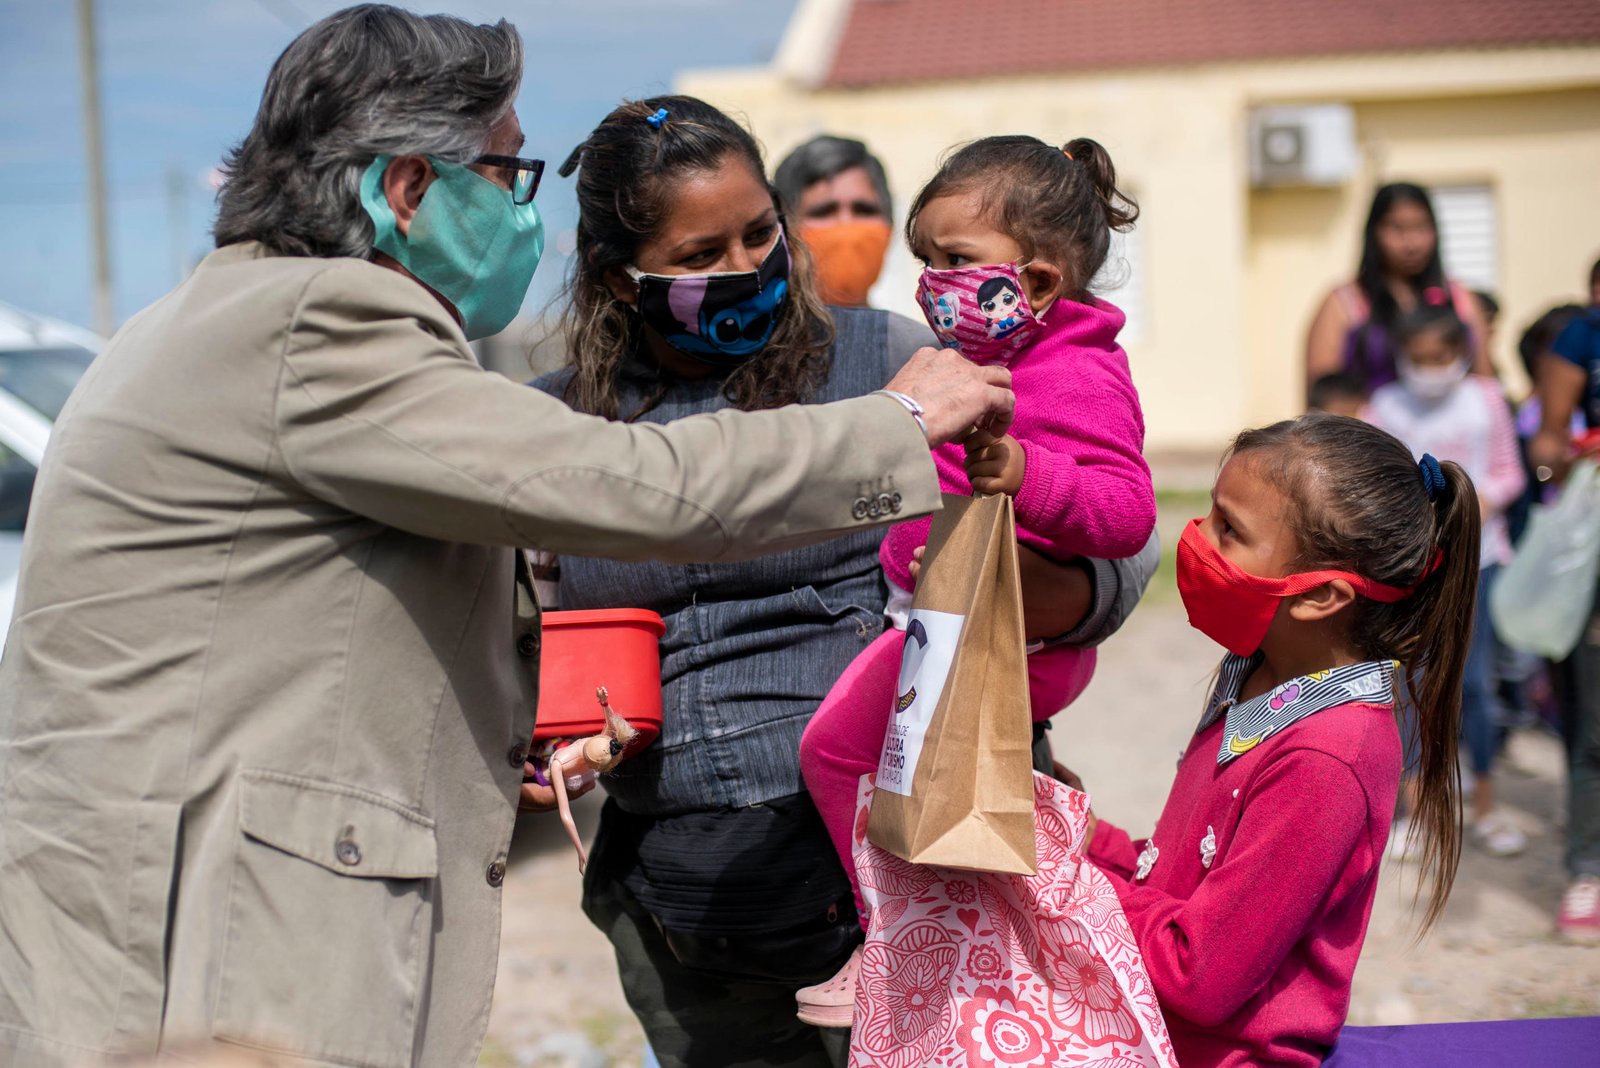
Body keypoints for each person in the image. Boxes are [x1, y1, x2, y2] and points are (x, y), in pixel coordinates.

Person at [0, 11, 1019, 1067]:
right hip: (209, 935)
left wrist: (521, 712)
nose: (516, 212)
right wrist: (897, 424)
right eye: (504, 176)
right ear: (406, 190)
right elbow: (630, 485)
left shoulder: (206, 322)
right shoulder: (317, 323)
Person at [534, 96, 1159, 1068]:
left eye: (759, 233)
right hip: (682, 903)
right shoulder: (553, 429)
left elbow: (1113, 540)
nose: (746, 269)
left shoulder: (885, 360)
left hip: (889, 879)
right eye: (702, 257)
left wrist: (1063, 597)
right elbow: (506, 631)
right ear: (620, 277)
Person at [797, 134, 1156, 1025]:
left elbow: (1127, 514)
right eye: (927, 260)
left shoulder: (1075, 372)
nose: (931, 282)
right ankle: (1067, 887)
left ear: (1033, 284)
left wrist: (1028, 475)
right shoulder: (979, 360)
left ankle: (893, 938)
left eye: (956, 260)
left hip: (994, 636)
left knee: (835, 751)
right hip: (954, 628)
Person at [1084, 413, 1475, 1068]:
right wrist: (1082, 838)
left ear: (1321, 595)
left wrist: (1068, 886)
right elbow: (1183, 878)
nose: (1197, 538)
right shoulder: (1259, 673)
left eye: (1229, 529)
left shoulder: (1328, 756)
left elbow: (1199, 974)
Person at [1365, 305, 1527, 856]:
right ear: (1401, 358)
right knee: (1410, 684)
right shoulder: (1383, 406)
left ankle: (1484, 804)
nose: (1431, 370)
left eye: (1442, 358)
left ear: (1461, 353)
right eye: (1419, 359)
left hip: (1480, 563)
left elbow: (1511, 473)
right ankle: (1411, 809)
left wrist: (1475, 505)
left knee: (1476, 687)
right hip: (1412, 566)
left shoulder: (1486, 400)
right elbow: (1370, 482)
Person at [1529, 254, 1600, 942]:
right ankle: (1587, 870)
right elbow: (1546, 446)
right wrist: (1572, 455)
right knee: (1592, 719)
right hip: (1591, 550)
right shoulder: (1581, 339)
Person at [1305, 182, 1492, 393]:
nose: (1412, 243)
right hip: (1367, 426)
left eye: (1421, 228)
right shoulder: (1344, 303)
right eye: (1397, 229)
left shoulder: (1459, 297)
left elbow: (1485, 387)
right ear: (1373, 232)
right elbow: (1322, 398)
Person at [774, 134, 894, 308]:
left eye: (864, 210)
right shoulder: (754, 333)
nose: (846, 224)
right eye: (824, 212)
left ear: (890, 225)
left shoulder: (916, 335)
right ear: (784, 229)